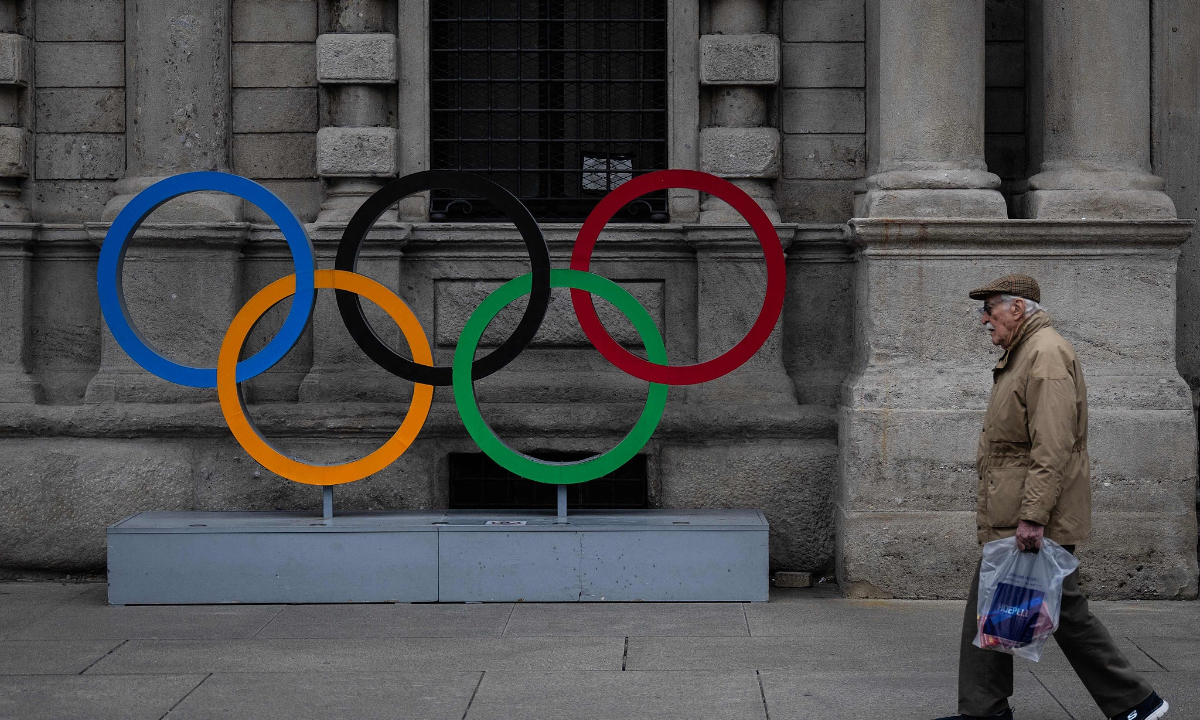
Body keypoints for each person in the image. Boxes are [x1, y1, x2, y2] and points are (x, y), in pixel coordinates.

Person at [935, 274, 1169, 720]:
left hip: (1033, 511)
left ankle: (1137, 702)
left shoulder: (1044, 355)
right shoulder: (1026, 352)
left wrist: (1034, 515)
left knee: (1064, 611)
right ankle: (984, 709)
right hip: (1015, 506)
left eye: (989, 308)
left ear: (1016, 308)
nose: (984, 319)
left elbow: (1053, 446)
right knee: (993, 604)